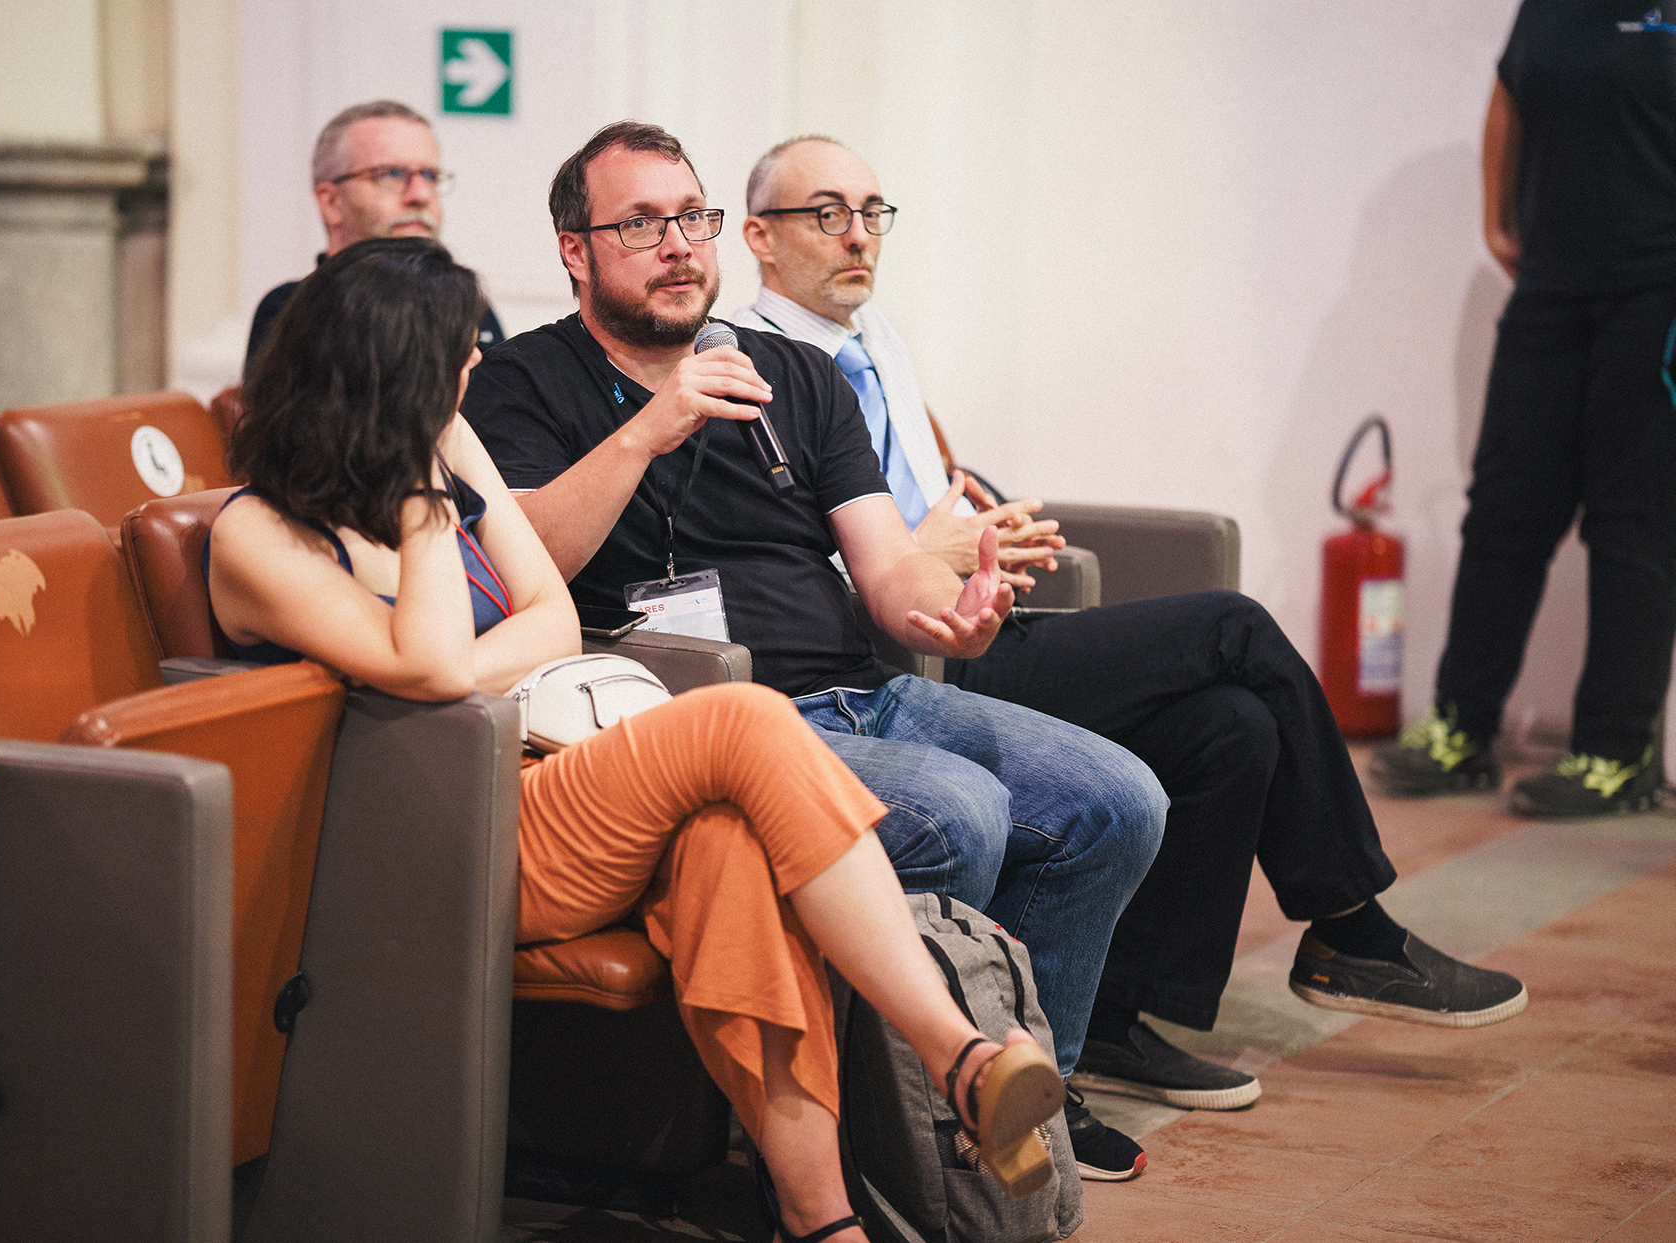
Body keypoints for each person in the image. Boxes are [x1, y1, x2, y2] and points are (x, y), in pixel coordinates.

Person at [204, 236, 1069, 1242]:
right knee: (742, 716)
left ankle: (821, 1221)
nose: (475, 364)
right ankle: (956, 1054)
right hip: (447, 836)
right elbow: (439, 664)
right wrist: (424, 502)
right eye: (454, 352)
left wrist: (444, 635)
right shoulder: (259, 534)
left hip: (560, 786)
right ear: (392, 374)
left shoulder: (450, 446)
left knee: (730, 850)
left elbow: (548, 621)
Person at [732, 135, 1530, 1129]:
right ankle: (1348, 923)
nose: (856, 235)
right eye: (825, 213)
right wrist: (931, 550)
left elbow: (933, 494)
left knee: (1232, 724)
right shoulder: (753, 367)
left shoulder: (874, 336)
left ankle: (1112, 1016)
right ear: (759, 237)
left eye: (871, 210)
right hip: (918, 654)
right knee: (1236, 628)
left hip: (995, 608)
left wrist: (987, 526)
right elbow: (798, 573)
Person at [462, 120, 1168, 1181]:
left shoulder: (794, 372)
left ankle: (1028, 1099)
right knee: (960, 814)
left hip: (868, 694)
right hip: (716, 720)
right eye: (641, 224)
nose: (678, 246)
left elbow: (886, 573)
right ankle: (913, 1126)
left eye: (690, 219)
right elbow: (531, 562)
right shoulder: (521, 382)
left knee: (1117, 800)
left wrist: (948, 612)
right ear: (576, 249)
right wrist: (651, 426)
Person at [1372, 1, 1676, 817]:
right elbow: (1509, 95)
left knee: (1630, 519)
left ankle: (1616, 752)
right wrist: (1496, 221)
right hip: (1550, 284)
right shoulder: (1548, 5)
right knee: (1506, 505)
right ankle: (1461, 728)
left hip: (1656, 291)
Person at [242, 99, 505, 369]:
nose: (421, 195)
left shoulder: (465, 303)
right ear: (331, 202)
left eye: (429, 175)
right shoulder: (290, 309)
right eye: (391, 174)